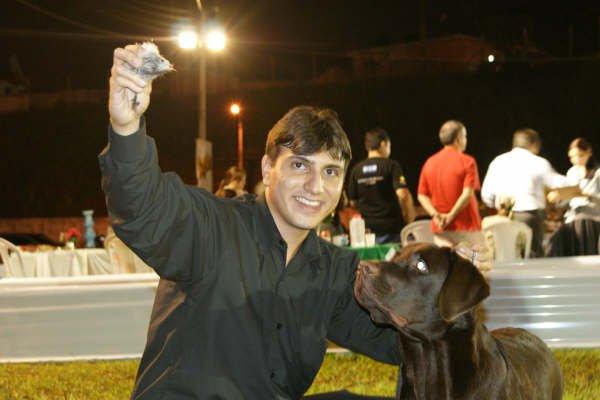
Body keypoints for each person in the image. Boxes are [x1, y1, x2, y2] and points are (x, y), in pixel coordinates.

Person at [101, 44, 400, 400]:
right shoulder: (213, 227)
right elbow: (143, 209)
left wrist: (443, 290)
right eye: (300, 165)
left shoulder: (333, 272)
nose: (315, 186)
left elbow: (400, 339)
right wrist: (126, 127)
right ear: (268, 169)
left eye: (331, 171)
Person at [481, 128, 568, 257]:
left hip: (503, 217)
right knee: (531, 256)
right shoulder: (538, 162)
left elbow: (486, 195)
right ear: (534, 144)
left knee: (505, 255)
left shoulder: (497, 161)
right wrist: (578, 177)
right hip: (529, 216)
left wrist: (499, 205)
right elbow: (559, 183)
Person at [417, 120, 483, 247]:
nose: (466, 140)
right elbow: (467, 194)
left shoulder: (429, 162)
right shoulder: (467, 161)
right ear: (458, 139)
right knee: (475, 259)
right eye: (465, 136)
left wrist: (435, 215)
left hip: (440, 229)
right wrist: (451, 215)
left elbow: (421, 195)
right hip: (467, 229)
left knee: (447, 260)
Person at [347, 128, 415, 244]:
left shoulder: (356, 170)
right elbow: (403, 195)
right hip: (392, 231)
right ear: (383, 144)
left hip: (367, 233)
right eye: (389, 146)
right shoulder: (391, 166)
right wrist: (409, 222)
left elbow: (353, 203)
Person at [547, 137, 600, 223]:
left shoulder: (598, 172)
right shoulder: (572, 172)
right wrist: (559, 197)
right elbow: (568, 197)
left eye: (580, 155)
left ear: (589, 152)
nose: (576, 160)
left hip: (593, 217)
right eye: (572, 157)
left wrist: (587, 195)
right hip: (575, 215)